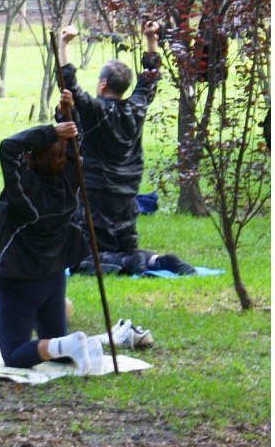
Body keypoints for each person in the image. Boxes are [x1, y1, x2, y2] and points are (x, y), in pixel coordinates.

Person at [59, 23, 195, 276]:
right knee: (127, 247)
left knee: (82, 260)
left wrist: (64, 43)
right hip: (128, 191)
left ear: (102, 85)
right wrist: (150, 38)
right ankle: (159, 261)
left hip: (96, 192)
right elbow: (151, 77)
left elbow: (69, 83)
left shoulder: (95, 111)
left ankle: (126, 265)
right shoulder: (137, 107)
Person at [0, 90, 104, 375]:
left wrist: (52, 130)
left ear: (32, 157)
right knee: (58, 342)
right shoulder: (71, 179)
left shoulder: (23, 190)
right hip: (53, 277)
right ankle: (76, 347)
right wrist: (67, 115)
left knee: (14, 354)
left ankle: (71, 347)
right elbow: (77, 145)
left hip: (20, 280)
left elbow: (9, 147)